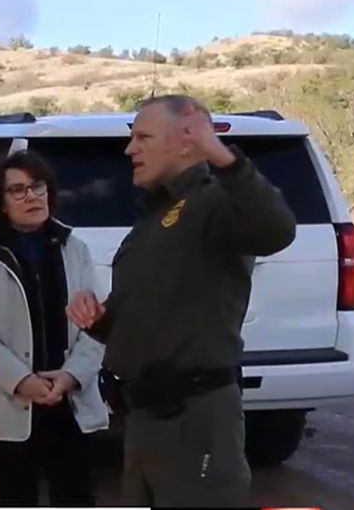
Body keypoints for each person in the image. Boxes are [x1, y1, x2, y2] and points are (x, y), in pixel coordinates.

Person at [67, 95, 296, 507]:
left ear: (186, 142)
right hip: (144, 419)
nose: (129, 149)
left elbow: (276, 228)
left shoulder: (215, 202)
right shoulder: (157, 214)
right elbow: (150, 304)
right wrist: (100, 319)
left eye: (142, 137)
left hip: (196, 417)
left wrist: (223, 156)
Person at [0, 150, 108, 507]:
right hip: (10, 402)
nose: (32, 196)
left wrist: (71, 376)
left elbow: (98, 324)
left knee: (75, 496)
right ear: (1, 202)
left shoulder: (75, 248)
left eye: (37, 187)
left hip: (69, 401)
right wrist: (23, 380)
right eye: (18, 190)